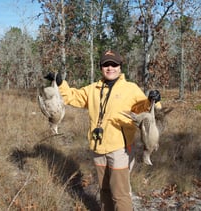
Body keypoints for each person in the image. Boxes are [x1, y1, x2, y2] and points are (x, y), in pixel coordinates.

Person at [45, 50, 161, 211]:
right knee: (104, 190)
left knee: (120, 193)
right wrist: (60, 83)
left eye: (114, 64)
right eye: (106, 64)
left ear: (120, 67)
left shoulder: (130, 88)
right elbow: (72, 96)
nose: (110, 67)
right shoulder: (93, 89)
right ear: (101, 67)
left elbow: (145, 108)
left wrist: (153, 99)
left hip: (120, 149)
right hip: (98, 147)